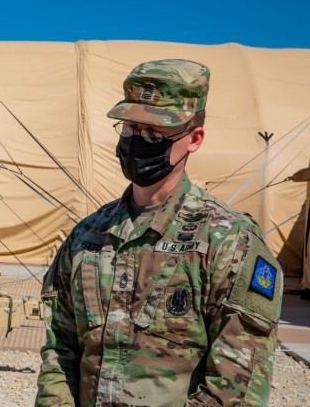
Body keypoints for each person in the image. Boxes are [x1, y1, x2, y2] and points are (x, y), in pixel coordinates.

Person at [36, 59, 283, 406]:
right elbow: (59, 351)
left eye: (154, 133)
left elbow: (237, 388)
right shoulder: (87, 236)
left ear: (194, 139)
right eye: (130, 128)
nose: (137, 141)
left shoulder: (229, 242)